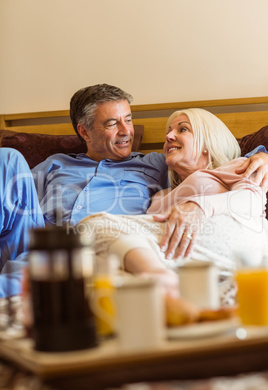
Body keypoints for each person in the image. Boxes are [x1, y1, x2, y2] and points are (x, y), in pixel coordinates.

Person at [0, 84, 268, 298]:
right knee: (7, 159)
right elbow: (15, 205)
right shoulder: (55, 164)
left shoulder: (154, 163)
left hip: (100, 251)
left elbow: (217, 158)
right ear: (85, 131)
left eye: (128, 119)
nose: (126, 131)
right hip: (43, 245)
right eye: (112, 123)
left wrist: (262, 156)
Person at [79, 108, 268, 305]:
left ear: (207, 143)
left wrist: (198, 206)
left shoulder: (234, 166)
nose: (169, 136)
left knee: (93, 227)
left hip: (238, 246)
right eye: (168, 132)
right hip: (180, 260)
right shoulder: (160, 196)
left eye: (182, 129)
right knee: (94, 265)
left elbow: (252, 200)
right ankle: (180, 300)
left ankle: (163, 282)